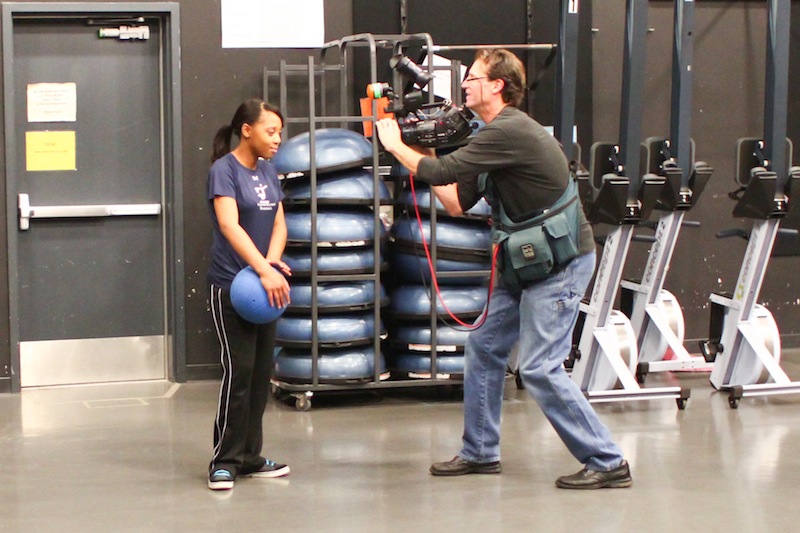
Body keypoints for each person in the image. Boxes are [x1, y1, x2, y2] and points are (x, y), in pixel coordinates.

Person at [375, 49, 632, 489]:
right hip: (526, 261)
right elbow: (456, 198)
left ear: (498, 86)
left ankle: (607, 461)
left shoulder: (509, 129)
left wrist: (396, 145)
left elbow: (442, 169)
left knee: (539, 367)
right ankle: (480, 451)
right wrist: (421, 148)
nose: (465, 84)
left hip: (561, 264)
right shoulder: (487, 137)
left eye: (473, 78)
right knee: (484, 346)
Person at [206, 99, 292, 490]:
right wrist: (262, 270)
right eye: (270, 131)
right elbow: (229, 225)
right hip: (231, 287)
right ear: (247, 130)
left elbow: (278, 224)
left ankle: (250, 456)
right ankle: (223, 460)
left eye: (279, 132)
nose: (277, 139)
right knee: (238, 373)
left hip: (264, 286)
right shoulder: (223, 171)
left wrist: (272, 265)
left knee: (260, 376)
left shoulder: (270, 172)